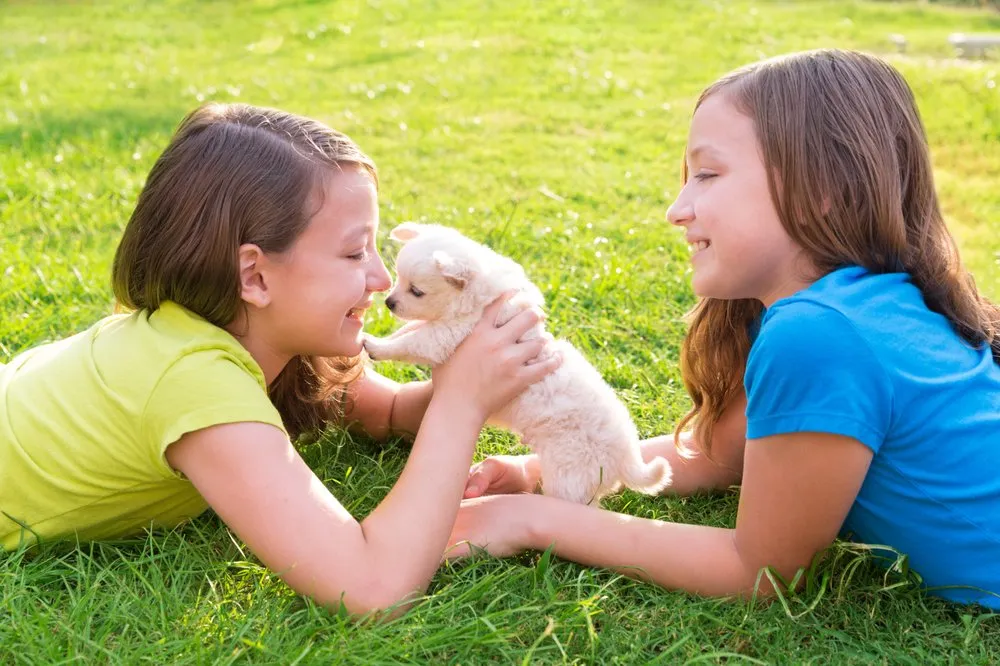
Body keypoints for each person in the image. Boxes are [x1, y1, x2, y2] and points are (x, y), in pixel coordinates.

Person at [446, 49, 1000, 610]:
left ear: (823, 189)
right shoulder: (857, 302)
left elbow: (758, 573)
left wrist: (531, 520)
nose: (677, 209)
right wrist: (536, 469)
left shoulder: (821, 334)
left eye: (707, 175)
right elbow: (722, 454)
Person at [0, 102, 561, 617]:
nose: (381, 278)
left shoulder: (254, 338)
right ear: (255, 276)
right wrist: (461, 403)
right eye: (352, 251)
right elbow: (370, 586)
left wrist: (484, 375)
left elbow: (386, 413)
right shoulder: (195, 383)